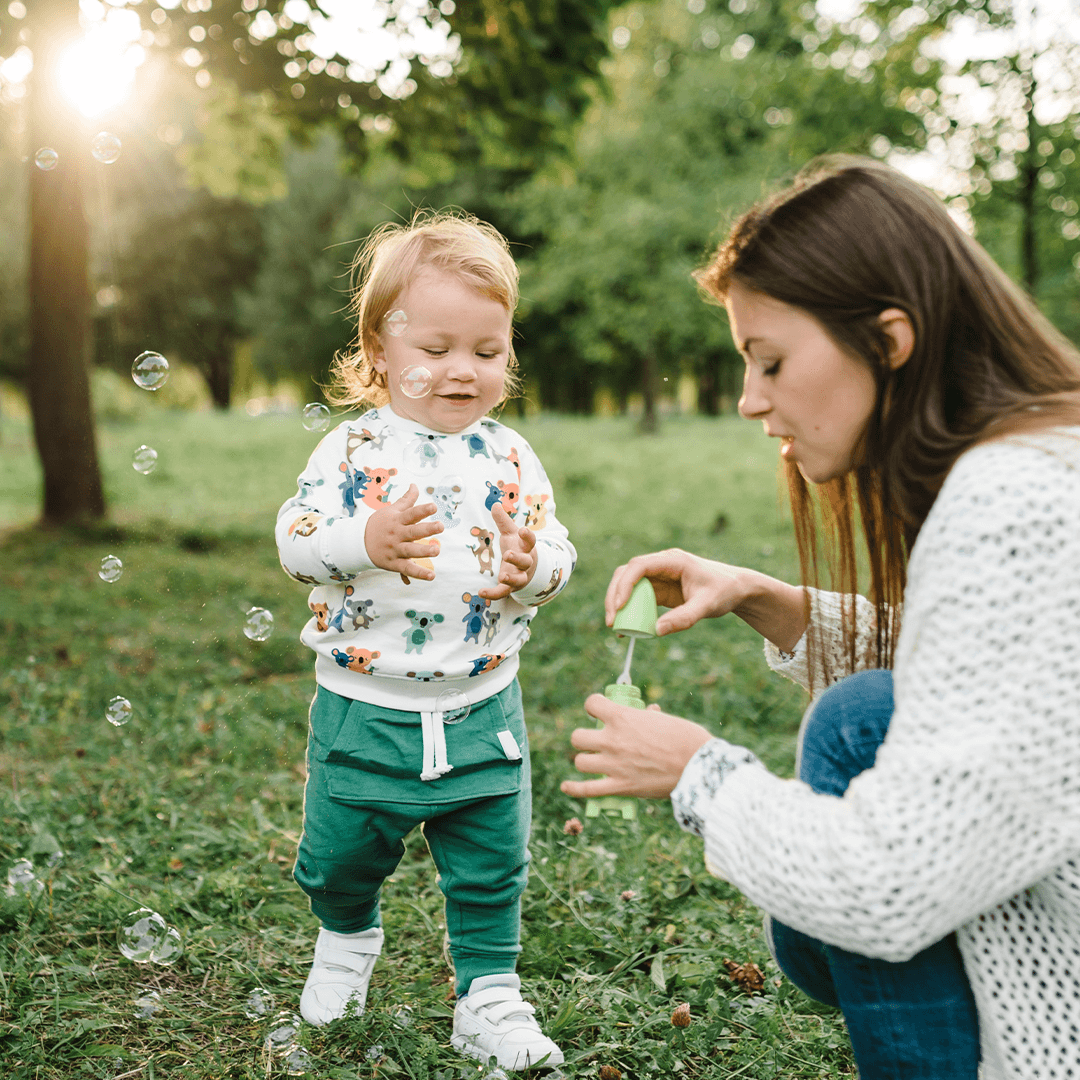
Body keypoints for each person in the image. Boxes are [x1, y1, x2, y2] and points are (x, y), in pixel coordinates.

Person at [561, 157, 1080, 1079]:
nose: (749, 399)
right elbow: (990, 678)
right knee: (863, 729)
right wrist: (771, 601)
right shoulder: (1042, 452)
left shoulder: (1011, 500)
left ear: (890, 340)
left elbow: (887, 886)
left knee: (849, 762)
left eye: (771, 362)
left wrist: (695, 773)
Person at [276, 211, 574, 1071]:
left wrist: (535, 569)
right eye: (436, 347)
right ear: (379, 350)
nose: (462, 370)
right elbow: (297, 541)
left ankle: (489, 995)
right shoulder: (351, 448)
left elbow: (557, 549)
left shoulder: (512, 456)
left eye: (486, 350)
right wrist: (359, 544)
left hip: (484, 707)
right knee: (336, 858)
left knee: (492, 864)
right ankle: (344, 946)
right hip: (365, 707)